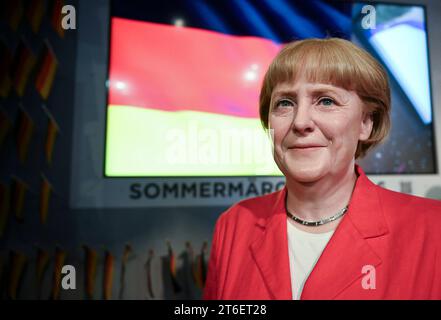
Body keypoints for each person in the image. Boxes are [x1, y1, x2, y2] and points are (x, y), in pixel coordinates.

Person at [202, 38, 441, 300]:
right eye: (285, 103)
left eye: (326, 101)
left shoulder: (431, 229)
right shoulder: (235, 224)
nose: (301, 122)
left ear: (366, 123)